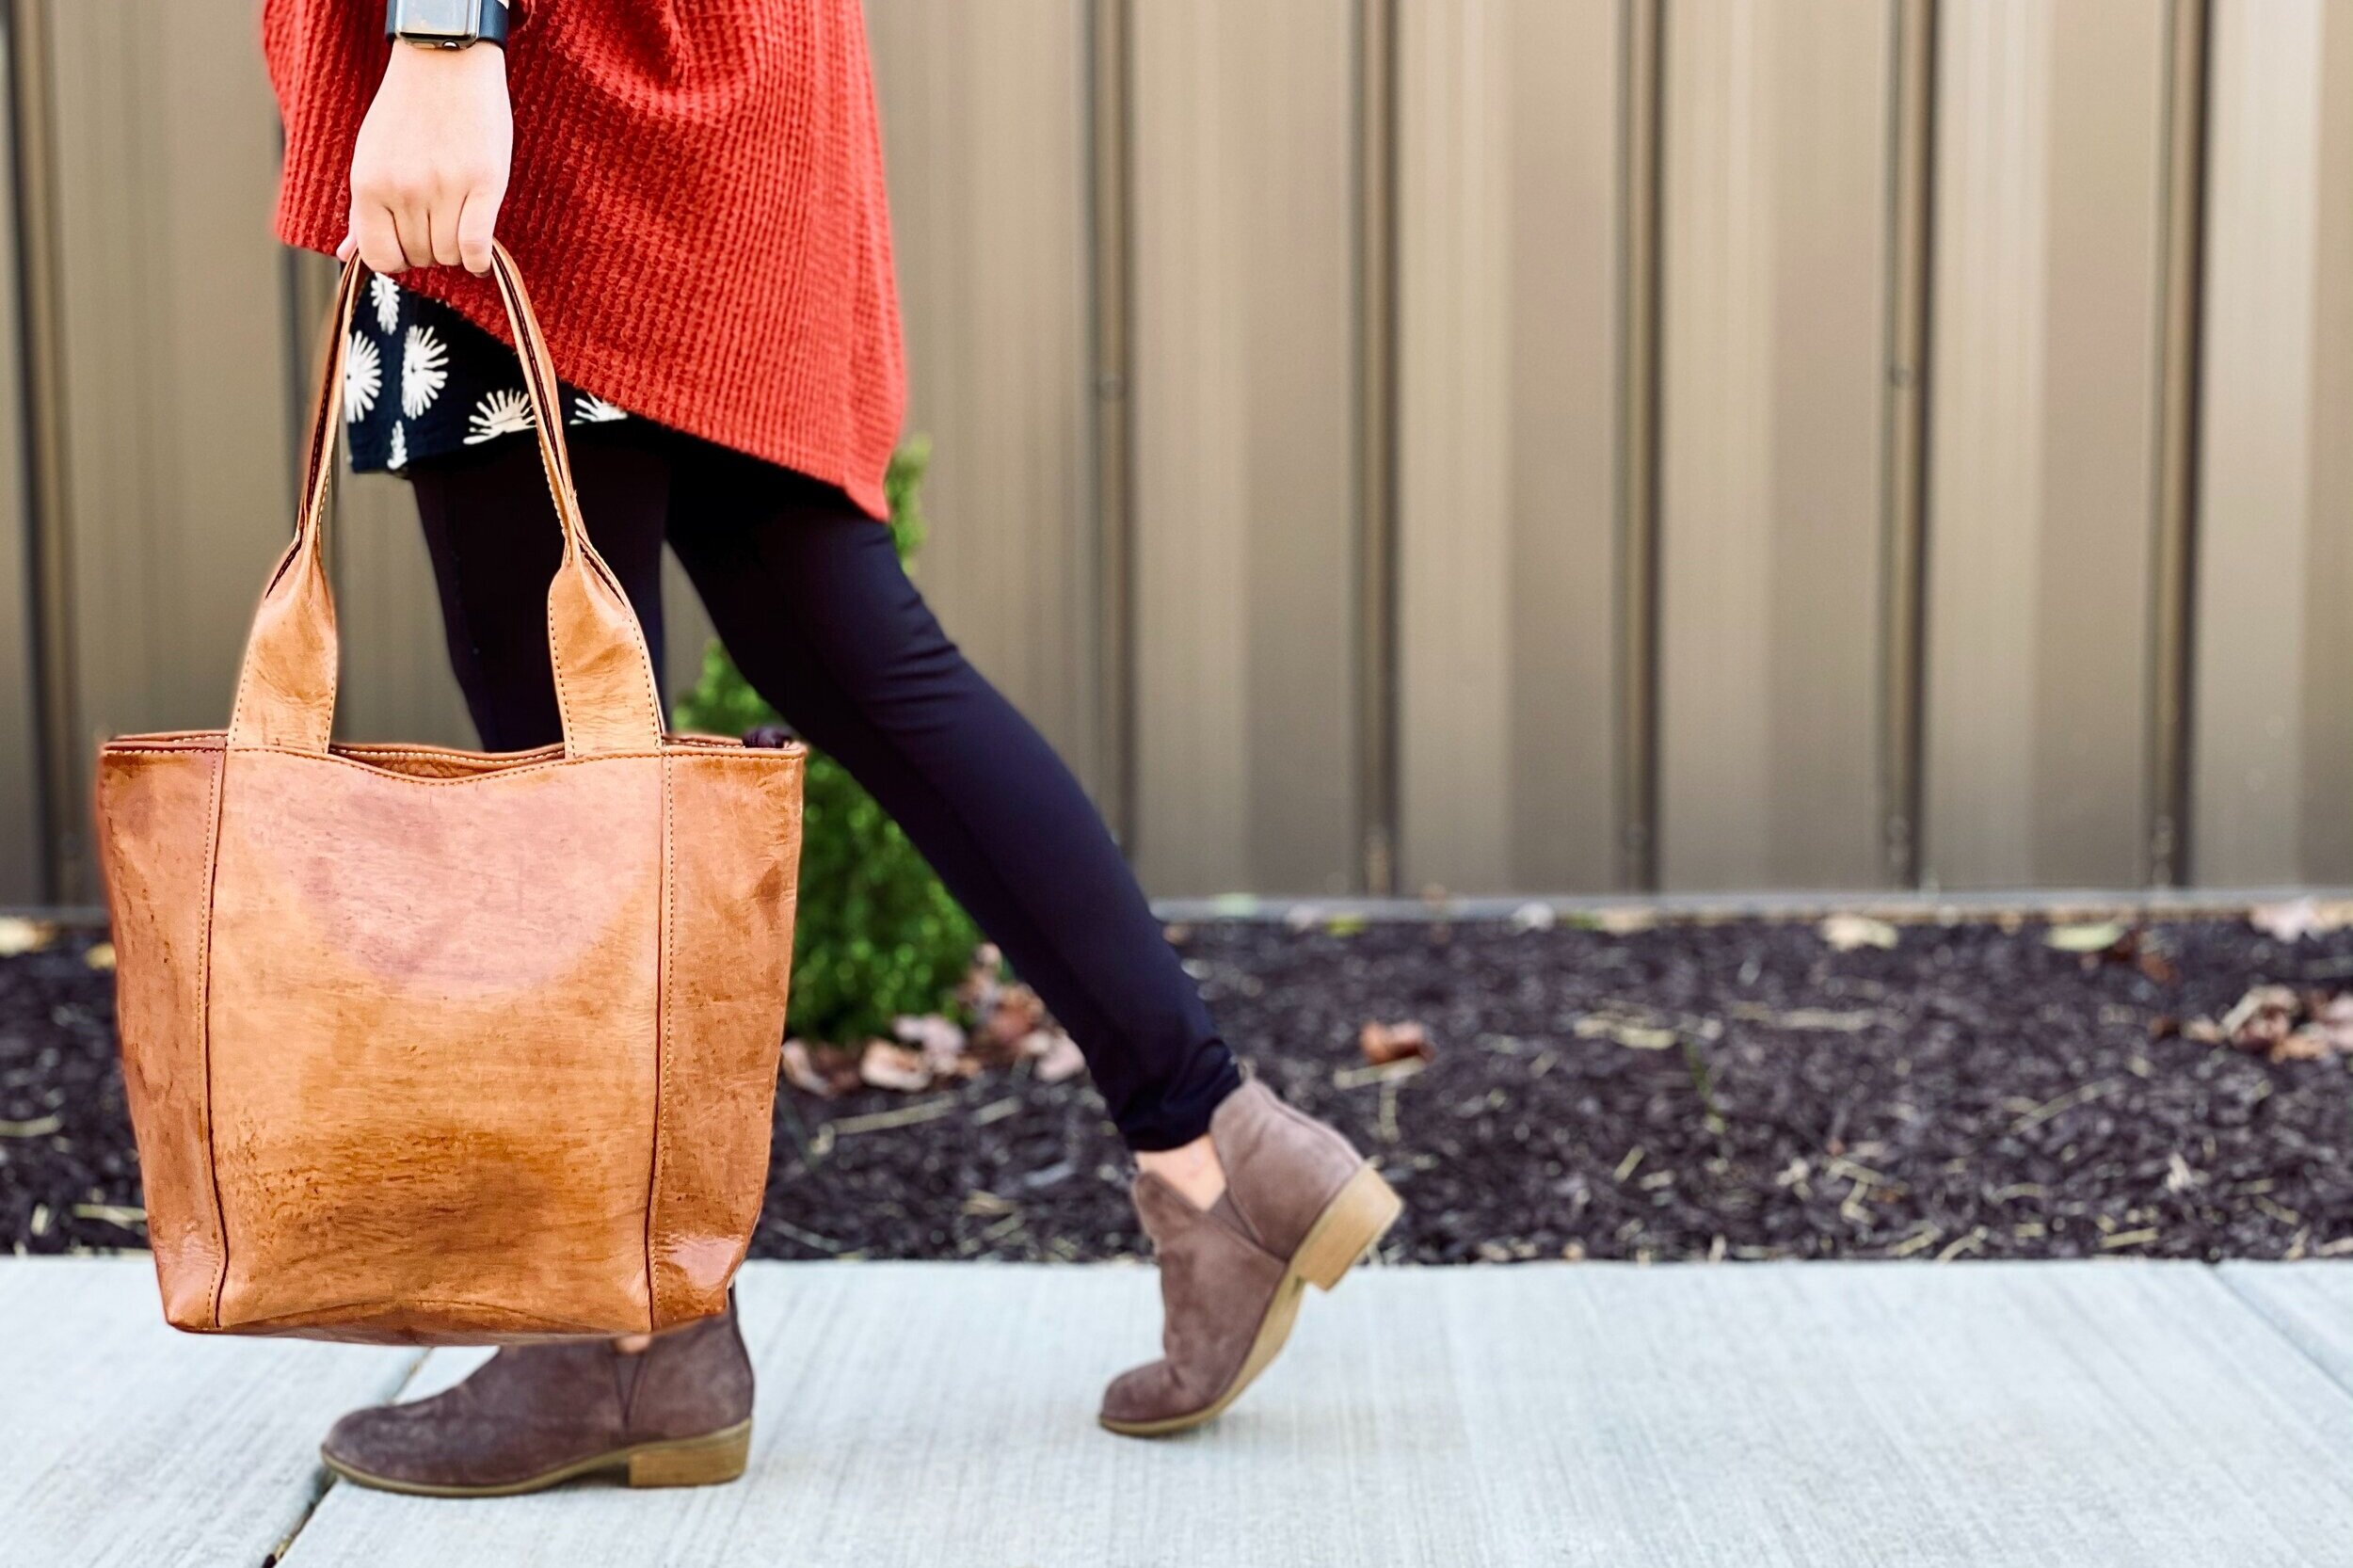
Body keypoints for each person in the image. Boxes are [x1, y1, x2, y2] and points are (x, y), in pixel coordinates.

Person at [262, 0, 1402, 1496]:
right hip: (730, 84)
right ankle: (1218, 1148)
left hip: (563, 90)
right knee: (850, 649)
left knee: (561, 737)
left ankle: (630, 1326)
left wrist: (441, 38)